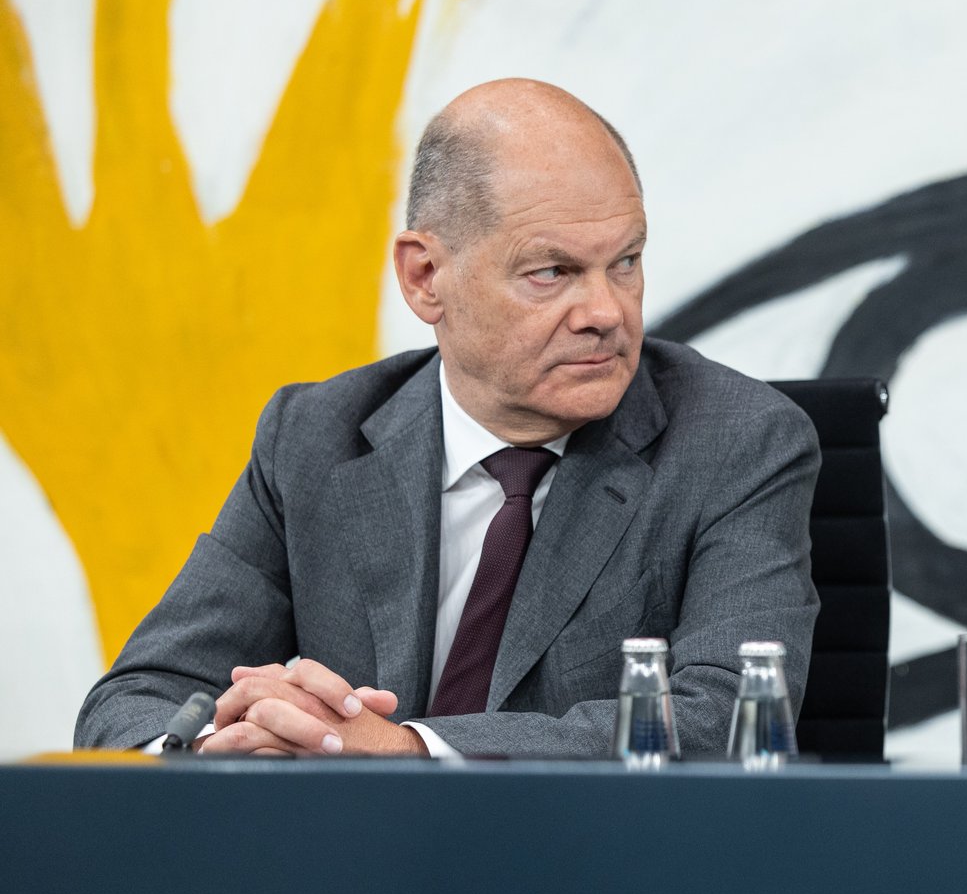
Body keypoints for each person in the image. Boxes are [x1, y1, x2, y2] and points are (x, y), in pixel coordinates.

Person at [75, 80, 819, 757]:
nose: (606, 312)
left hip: (601, 881)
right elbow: (133, 703)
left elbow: (726, 719)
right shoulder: (313, 438)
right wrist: (228, 744)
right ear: (426, 276)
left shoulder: (738, 441)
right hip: (346, 884)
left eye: (625, 262)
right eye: (552, 272)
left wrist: (410, 752)